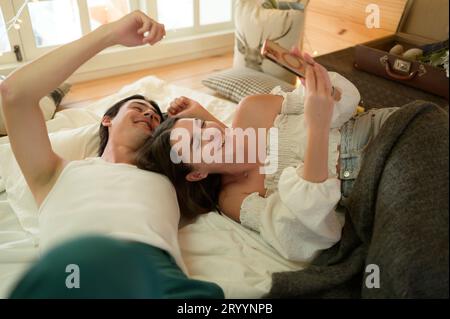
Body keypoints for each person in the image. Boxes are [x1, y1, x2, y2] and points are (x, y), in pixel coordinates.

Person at [1, 11, 223, 299]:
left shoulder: (171, 174)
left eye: (156, 116)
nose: (148, 114)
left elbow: (245, 155)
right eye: (138, 106)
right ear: (107, 119)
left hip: (161, 280)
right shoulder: (54, 172)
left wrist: (202, 118)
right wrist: (110, 34)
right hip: (74, 274)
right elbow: (15, 93)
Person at [136, 51, 401, 263]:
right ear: (197, 173)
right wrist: (317, 128)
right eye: (195, 143)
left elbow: (341, 105)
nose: (210, 134)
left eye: (203, 126)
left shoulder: (251, 109)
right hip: (374, 190)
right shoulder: (233, 199)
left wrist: (321, 87)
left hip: (383, 128)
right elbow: (298, 236)